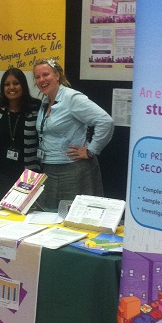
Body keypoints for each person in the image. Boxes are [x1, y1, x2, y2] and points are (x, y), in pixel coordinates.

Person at [33, 58, 114, 211]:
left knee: (74, 216)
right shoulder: (46, 101)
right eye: (37, 77)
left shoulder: (72, 98)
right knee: (51, 215)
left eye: (45, 75)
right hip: (49, 168)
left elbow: (105, 121)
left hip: (73, 170)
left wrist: (91, 150)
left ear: (57, 76)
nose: (41, 80)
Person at [0, 68, 41, 199]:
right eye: (7, 84)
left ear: (23, 85)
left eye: (16, 83)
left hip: (28, 174)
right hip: (2, 173)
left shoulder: (36, 107)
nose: (11, 87)